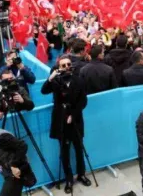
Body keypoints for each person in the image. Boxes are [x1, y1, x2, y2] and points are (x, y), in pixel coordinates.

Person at [41, 55, 92, 194]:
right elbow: (44, 90)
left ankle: (81, 174)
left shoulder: (79, 80)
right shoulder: (56, 81)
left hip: (75, 120)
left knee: (78, 148)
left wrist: (73, 115)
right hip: (60, 121)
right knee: (64, 152)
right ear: (59, 68)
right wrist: (50, 78)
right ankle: (68, 179)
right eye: (63, 65)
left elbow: (83, 101)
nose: (67, 67)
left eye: (68, 64)